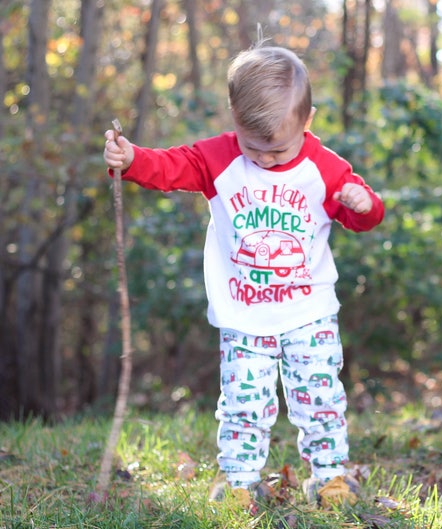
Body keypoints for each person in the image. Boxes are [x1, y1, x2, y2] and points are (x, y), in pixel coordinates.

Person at [103, 44, 384, 511]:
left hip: (308, 309)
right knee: (243, 399)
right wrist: (132, 159)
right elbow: (170, 168)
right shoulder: (218, 159)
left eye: (279, 149)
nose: (268, 160)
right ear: (234, 118)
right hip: (244, 312)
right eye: (255, 148)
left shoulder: (325, 168)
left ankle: (331, 475)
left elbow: (364, 216)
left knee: (318, 394)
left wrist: (364, 204)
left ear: (307, 120)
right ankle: (240, 479)